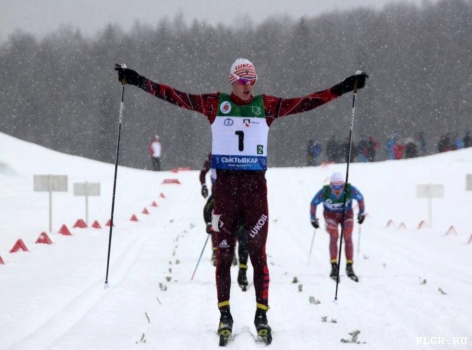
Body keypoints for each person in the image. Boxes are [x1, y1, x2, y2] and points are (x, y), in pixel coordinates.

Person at [115, 58, 368, 344]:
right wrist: (137, 80)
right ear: (232, 81)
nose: (249, 87)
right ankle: (225, 316)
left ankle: (262, 316)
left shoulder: (266, 105)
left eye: (252, 82)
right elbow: (173, 95)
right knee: (224, 257)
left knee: (259, 255)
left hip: (255, 190)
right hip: (225, 190)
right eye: (243, 82)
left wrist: (344, 88)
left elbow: (307, 102)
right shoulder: (214, 104)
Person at [200, 153, 249, 290]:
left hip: (233, 193)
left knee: (234, 222)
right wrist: (203, 185)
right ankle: (217, 252)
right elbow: (203, 172)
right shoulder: (212, 156)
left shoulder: (235, 154)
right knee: (216, 221)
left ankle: (232, 252)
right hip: (218, 192)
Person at [309, 172, 366, 282]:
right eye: (335, 186)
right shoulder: (325, 192)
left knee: (348, 235)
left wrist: (361, 213)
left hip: (346, 214)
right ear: (331, 185)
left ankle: (349, 266)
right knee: (334, 235)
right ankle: (334, 266)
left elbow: (360, 198)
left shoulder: (349, 190)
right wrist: (313, 218)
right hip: (330, 215)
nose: (338, 189)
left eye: (340, 186)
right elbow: (313, 203)